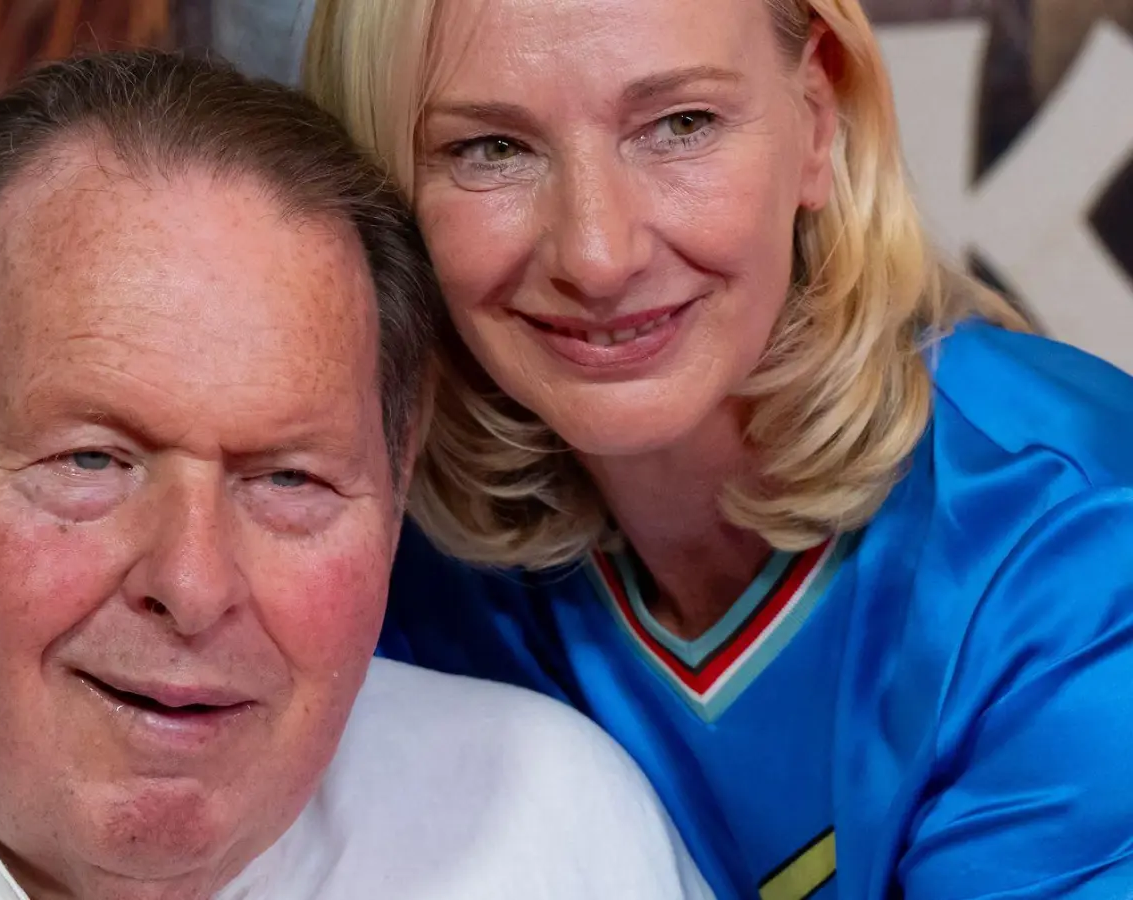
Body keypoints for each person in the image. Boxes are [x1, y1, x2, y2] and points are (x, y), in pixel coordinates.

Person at [0, 51, 711, 900]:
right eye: (91, 461)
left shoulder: (551, 828)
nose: (193, 586)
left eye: (290, 482)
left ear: (394, 495)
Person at [304, 1, 1133, 898]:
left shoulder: (1077, 537)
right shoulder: (380, 554)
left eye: (680, 125)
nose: (597, 254)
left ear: (819, 118)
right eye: (490, 149)